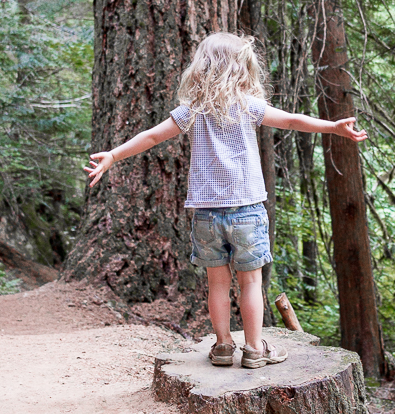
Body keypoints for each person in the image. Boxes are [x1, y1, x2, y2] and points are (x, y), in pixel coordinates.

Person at [85, 32, 367, 368]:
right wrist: (332, 127)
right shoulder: (248, 107)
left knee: (217, 283)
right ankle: (254, 349)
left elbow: (152, 136)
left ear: (201, 68)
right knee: (250, 282)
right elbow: (293, 120)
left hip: (206, 215)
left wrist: (113, 156)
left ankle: (222, 346)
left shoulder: (192, 110)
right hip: (246, 210)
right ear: (241, 68)